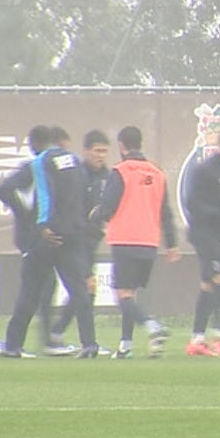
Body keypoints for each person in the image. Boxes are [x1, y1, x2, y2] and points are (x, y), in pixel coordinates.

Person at [0, 127, 100, 359]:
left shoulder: (39, 163)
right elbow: (85, 197)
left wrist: (34, 220)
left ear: (36, 144)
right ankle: (90, 344)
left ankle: (13, 345)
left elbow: (38, 192)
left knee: (29, 292)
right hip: (72, 236)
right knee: (79, 291)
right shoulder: (74, 162)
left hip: (46, 237)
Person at [90, 126, 180, 359]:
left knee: (122, 295)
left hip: (125, 239)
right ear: (140, 143)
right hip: (149, 242)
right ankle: (125, 346)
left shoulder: (121, 171)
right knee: (130, 294)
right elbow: (166, 212)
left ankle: (152, 326)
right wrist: (171, 244)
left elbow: (108, 207)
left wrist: (94, 215)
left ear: (121, 145)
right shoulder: (157, 173)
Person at [0, 126, 59, 357]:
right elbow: (3, 188)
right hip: (32, 239)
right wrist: (25, 214)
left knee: (45, 286)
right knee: (33, 290)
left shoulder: (48, 168)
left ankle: (40, 340)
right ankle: (17, 343)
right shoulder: (34, 168)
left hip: (42, 237)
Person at [46, 129, 110, 354]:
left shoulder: (107, 177)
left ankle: (58, 333)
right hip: (76, 238)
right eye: (97, 151)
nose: (101, 156)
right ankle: (81, 340)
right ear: (85, 151)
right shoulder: (77, 173)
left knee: (85, 289)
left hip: (92, 239)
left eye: (104, 151)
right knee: (85, 287)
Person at [184, 130, 220, 357]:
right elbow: (193, 204)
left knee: (208, 285)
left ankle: (197, 339)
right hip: (205, 233)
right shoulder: (205, 170)